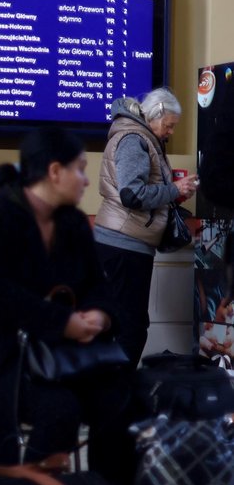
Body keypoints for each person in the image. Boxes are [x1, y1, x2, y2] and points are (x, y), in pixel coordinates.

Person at [0, 128, 137, 485]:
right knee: (59, 411)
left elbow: (98, 285)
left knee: (124, 399)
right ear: (54, 172)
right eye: (80, 169)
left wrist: (100, 315)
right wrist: (61, 321)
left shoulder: (71, 224)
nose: (86, 180)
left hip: (59, 356)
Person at [94, 88, 199, 367]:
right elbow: (133, 195)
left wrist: (172, 193)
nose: (171, 132)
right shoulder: (134, 139)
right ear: (154, 116)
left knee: (121, 325)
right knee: (131, 329)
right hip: (123, 246)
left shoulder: (137, 136)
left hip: (123, 244)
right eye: (169, 125)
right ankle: (116, 400)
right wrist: (173, 189)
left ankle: (109, 399)